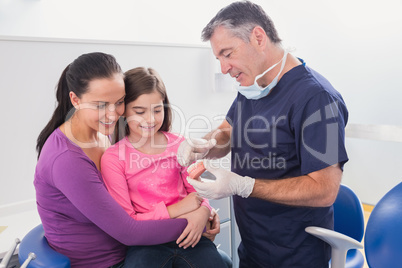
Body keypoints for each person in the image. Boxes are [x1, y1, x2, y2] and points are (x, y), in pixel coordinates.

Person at [180, 1, 349, 267]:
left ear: (258, 37)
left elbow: (324, 189)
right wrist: (206, 144)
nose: (224, 68)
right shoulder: (254, 85)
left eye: (228, 53)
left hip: (295, 254)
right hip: (253, 248)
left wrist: (244, 186)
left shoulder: (317, 99)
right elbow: (229, 131)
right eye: (218, 59)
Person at [34, 53, 192, 268]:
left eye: (118, 103)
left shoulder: (102, 133)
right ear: (75, 100)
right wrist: (194, 221)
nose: (112, 114)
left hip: (131, 251)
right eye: (100, 105)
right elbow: (130, 232)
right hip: (104, 263)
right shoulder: (67, 160)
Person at [101, 67, 230, 268]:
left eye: (157, 110)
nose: (150, 119)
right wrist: (180, 209)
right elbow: (129, 220)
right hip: (147, 243)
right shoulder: (113, 158)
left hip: (189, 235)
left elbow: (197, 192)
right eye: (140, 111)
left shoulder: (179, 144)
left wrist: (204, 211)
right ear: (124, 110)